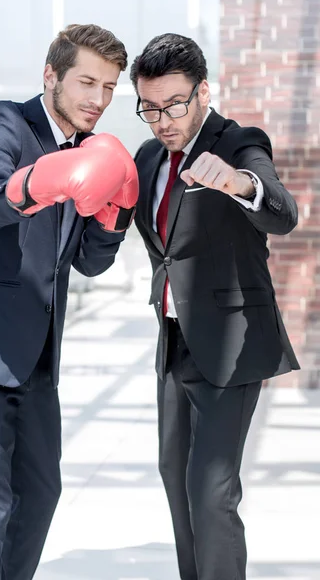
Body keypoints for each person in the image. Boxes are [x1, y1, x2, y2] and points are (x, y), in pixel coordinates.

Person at [0, 24, 138, 580]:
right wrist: (41, 181)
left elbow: (89, 262)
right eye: (87, 82)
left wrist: (117, 213)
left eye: (110, 88)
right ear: (52, 76)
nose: (98, 99)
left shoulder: (90, 153)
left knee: (41, 497)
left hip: (39, 364)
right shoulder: (3, 119)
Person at [131, 33, 300, 580]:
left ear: (203, 91)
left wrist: (236, 183)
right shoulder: (149, 156)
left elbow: (280, 209)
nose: (162, 119)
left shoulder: (239, 141)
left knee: (210, 491)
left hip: (230, 343)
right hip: (174, 343)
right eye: (149, 107)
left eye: (175, 104)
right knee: (175, 481)